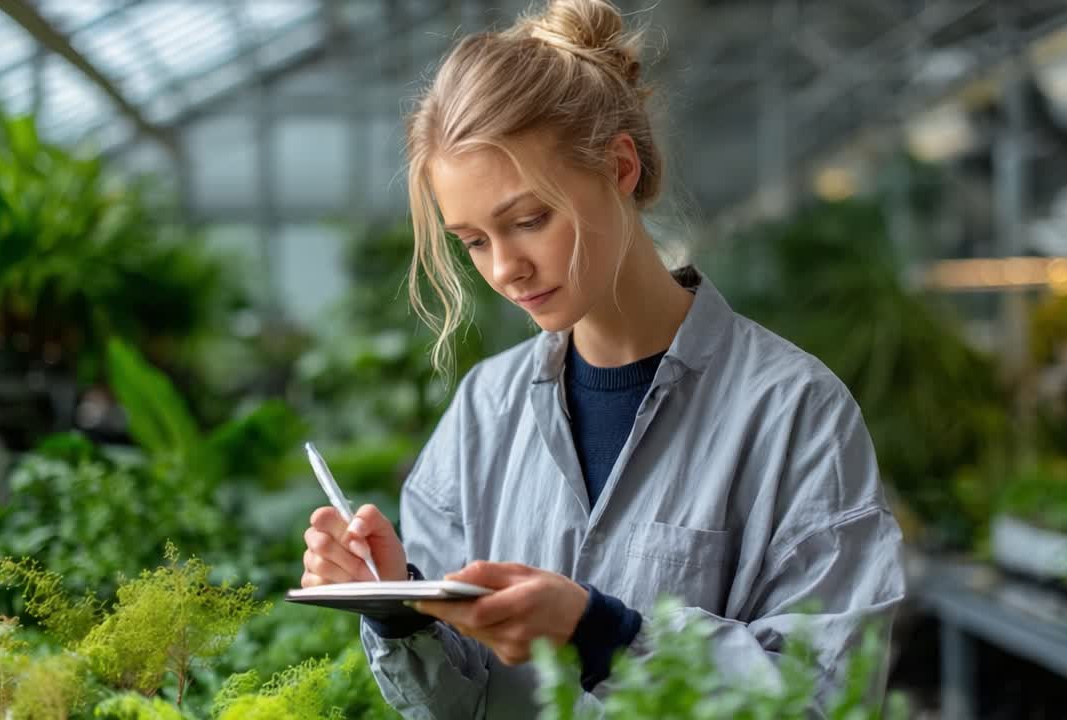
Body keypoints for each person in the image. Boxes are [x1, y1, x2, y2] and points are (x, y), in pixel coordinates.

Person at [300, 1, 905, 717]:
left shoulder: (793, 411)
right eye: (473, 241)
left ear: (619, 166)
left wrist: (605, 637)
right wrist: (400, 604)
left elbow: (830, 697)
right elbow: (463, 706)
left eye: (528, 221)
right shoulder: (483, 414)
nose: (505, 270)